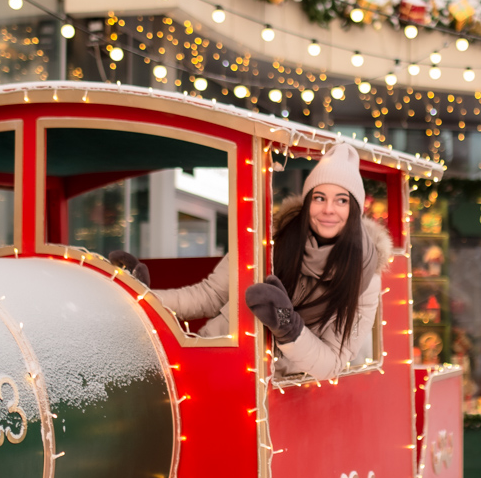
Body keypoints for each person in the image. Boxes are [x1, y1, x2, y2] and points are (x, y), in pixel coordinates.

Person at [109, 142, 392, 380]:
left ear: (354, 209)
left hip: (274, 397)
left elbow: (332, 363)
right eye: (320, 198)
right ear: (308, 202)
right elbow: (208, 296)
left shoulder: (364, 275)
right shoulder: (270, 238)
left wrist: (288, 327)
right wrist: (144, 298)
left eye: (341, 200)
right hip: (212, 364)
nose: (329, 209)